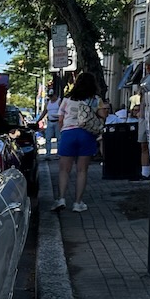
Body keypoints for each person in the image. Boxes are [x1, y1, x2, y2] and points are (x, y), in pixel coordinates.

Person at [51, 71, 106, 213]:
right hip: (86, 134)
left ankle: (61, 198)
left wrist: (63, 132)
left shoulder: (68, 99)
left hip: (68, 133)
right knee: (82, 170)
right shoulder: (95, 99)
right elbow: (103, 115)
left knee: (64, 169)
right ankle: (78, 202)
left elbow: (60, 119)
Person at [41, 88, 63, 154]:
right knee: (47, 138)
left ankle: (59, 153)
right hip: (50, 121)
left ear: (55, 95)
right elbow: (44, 112)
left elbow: (62, 112)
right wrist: (39, 120)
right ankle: (48, 153)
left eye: (52, 96)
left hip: (57, 122)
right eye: (50, 96)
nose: (51, 98)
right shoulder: (48, 103)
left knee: (59, 138)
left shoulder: (59, 101)